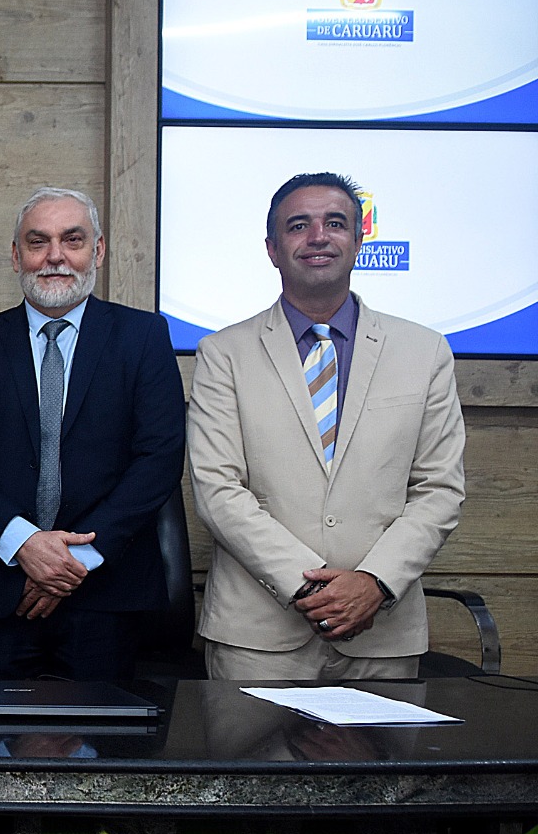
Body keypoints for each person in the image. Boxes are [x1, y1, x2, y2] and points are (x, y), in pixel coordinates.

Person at [189, 172, 464, 679]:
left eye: (335, 223)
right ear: (272, 249)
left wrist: (373, 583)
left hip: (382, 633)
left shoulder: (424, 351)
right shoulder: (223, 353)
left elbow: (439, 489)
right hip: (258, 637)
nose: (318, 237)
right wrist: (313, 590)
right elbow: (218, 489)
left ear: (359, 241)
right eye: (299, 226)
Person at [0, 187, 185, 680]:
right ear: (16, 256)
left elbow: (159, 459)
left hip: (108, 596)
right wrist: (23, 543)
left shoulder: (143, 337)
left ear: (98, 250)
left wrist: (72, 561)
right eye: (38, 242)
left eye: (72, 240)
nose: (55, 256)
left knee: (102, 731)